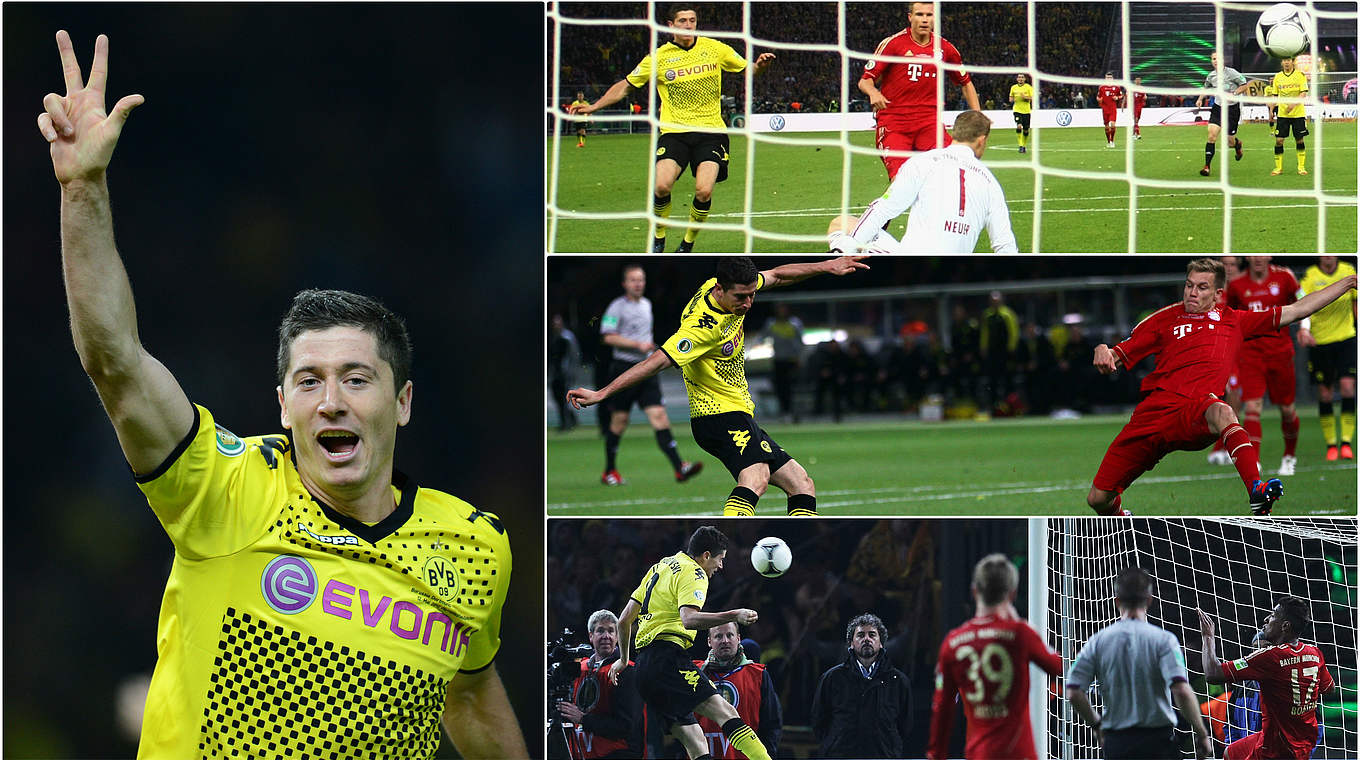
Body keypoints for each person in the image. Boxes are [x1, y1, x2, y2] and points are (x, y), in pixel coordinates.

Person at [36, 31, 527, 757]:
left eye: (358, 379)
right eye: (309, 381)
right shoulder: (224, 487)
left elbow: (472, 692)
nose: (332, 400)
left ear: (404, 403)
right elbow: (114, 360)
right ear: (281, 406)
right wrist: (83, 189)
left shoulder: (476, 548)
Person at [568, 256, 870, 516]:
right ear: (719, 290)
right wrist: (601, 393)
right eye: (741, 297)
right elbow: (657, 361)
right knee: (756, 476)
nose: (748, 303)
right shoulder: (702, 328)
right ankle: (727, 544)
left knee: (802, 485)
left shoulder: (728, 286)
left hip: (738, 412)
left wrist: (827, 265)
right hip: (716, 416)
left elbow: (777, 274)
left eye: (752, 295)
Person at [1087, 258, 1357, 515]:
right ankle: (1121, 516)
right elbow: (1116, 354)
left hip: (1195, 411)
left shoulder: (1234, 321)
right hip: (1153, 415)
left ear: (1217, 294)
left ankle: (1256, 490)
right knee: (1098, 499)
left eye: (1202, 287)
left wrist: (1348, 282)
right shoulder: (1164, 319)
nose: (1192, 292)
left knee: (1223, 412)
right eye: (1189, 285)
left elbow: (1299, 309)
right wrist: (1102, 349)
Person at [569, 6, 776, 253]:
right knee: (662, 186)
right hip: (674, 131)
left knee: (704, 189)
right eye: (683, 21)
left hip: (711, 131)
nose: (688, 25)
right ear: (671, 25)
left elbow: (748, 70)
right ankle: (659, 236)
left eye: (692, 20)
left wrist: (760, 65)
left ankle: (687, 243)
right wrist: (594, 106)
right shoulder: (658, 57)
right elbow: (625, 86)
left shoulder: (715, 48)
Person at [611, 526, 772, 760]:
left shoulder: (662, 565)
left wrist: (624, 660)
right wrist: (733, 614)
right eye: (720, 559)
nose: (721, 566)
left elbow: (624, 620)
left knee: (696, 740)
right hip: (666, 659)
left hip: (644, 671)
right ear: (706, 555)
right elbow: (689, 619)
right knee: (725, 711)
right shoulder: (694, 572)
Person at [1065, 568, 1212, 760]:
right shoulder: (1164, 640)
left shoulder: (1097, 642)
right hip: (1157, 743)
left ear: (1116, 600)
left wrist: (1096, 724)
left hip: (1117, 744)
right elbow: (1181, 690)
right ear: (1149, 600)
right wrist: (1201, 733)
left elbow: (1074, 691)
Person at [927, 554, 1063, 760]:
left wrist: (936, 755)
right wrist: (1026, 626)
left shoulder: (953, 643)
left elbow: (942, 709)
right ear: (1012, 594)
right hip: (1019, 754)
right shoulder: (1020, 633)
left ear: (974, 591)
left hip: (979, 754)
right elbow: (1058, 667)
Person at [826, 111, 1019, 254]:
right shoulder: (991, 183)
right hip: (955, 276)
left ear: (954, 134)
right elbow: (1005, 245)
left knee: (841, 224)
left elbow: (882, 209)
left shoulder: (924, 161)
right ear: (982, 140)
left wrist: (845, 249)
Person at [597, 264, 703, 486]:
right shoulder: (616, 307)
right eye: (634, 280)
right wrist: (637, 344)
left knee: (660, 417)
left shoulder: (647, 304)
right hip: (624, 369)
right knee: (619, 421)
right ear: (625, 283)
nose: (638, 284)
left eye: (641, 279)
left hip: (647, 370)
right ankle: (609, 471)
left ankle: (679, 468)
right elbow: (607, 337)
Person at [1197, 598, 1335, 760]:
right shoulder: (1314, 652)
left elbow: (1213, 674)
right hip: (1303, 740)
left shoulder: (1270, 657)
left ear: (1285, 626)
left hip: (1276, 746)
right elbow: (1330, 689)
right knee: (1230, 753)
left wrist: (1208, 636)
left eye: (1273, 615)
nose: (1266, 619)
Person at [859, 1, 981, 181]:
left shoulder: (945, 49)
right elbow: (865, 80)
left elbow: (966, 82)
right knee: (901, 182)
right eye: (919, 14)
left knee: (952, 172)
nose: (924, 20)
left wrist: (977, 116)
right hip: (895, 123)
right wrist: (873, 92)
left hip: (929, 123)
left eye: (929, 15)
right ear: (910, 17)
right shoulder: (893, 44)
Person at [1226, 257, 1301, 476]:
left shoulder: (1285, 276)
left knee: (1287, 410)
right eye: (1252, 254)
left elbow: (1303, 300)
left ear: (1269, 256)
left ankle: (1289, 456)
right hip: (1251, 354)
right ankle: (1254, 462)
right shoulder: (1237, 285)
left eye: (1262, 253)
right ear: (1246, 258)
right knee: (1252, 407)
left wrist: (1305, 328)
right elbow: (1228, 317)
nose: (1257, 258)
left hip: (1281, 352)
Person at [811, 613, 912, 759]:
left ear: (881, 642)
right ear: (851, 643)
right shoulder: (832, 678)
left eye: (872, 635)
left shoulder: (899, 681)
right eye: (860, 635)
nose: (866, 639)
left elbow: (905, 725)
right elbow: (819, 720)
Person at [558, 610, 644, 759]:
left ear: (618, 637)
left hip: (617, 753)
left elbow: (626, 726)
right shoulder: (579, 668)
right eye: (600, 631)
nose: (606, 636)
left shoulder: (627, 671)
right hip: (580, 751)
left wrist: (583, 719)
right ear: (591, 636)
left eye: (611, 631)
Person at [1297, 256, 1358, 460]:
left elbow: (1355, 303)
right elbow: (1303, 305)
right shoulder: (1310, 276)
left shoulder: (1348, 271)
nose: (1328, 255)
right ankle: (1331, 444)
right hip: (1320, 342)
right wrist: (1305, 330)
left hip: (1346, 338)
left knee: (1349, 387)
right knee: (1325, 393)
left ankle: (1347, 442)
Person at [694, 622, 783, 759]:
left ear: (738, 638)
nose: (725, 641)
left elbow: (771, 724)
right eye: (718, 636)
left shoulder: (758, 675)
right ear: (709, 641)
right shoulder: (695, 673)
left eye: (730, 635)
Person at [1208, 256, 1247, 465]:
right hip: (1210, 350)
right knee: (1214, 396)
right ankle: (1220, 444)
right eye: (1225, 265)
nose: (1229, 268)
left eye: (1233, 264)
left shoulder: (1240, 288)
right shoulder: (1211, 287)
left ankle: (1227, 445)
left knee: (1233, 393)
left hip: (1232, 350)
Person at [1196, 51, 1250, 176]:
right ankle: (1207, 167)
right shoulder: (1211, 76)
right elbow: (1206, 87)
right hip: (1218, 108)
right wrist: (1200, 99)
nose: (1215, 61)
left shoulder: (1232, 73)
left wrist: (1235, 93)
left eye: (1218, 58)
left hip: (1231, 110)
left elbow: (1244, 85)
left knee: (1229, 142)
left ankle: (1237, 144)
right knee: (1211, 136)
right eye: (1213, 59)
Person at [761, 303, 805, 422]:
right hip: (779, 360)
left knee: (791, 388)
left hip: (792, 360)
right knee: (781, 388)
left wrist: (799, 358)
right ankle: (784, 412)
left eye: (783, 309)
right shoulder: (771, 324)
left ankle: (794, 412)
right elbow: (762, 337)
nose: (782, 312)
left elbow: (801, 342)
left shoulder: (795, 323)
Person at [980, 292, 1020, 416]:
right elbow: (985, 332)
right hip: (992, 352)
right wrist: (983, 347)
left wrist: (1011, 348)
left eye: (997, 300)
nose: (995, 303)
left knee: (1008, 379)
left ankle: (1010, 407)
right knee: (993, 380)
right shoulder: (987, 315)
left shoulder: (1007, 314)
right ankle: (994, 407)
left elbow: (1014, 331)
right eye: (993, 301)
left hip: (1005, 352)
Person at [1270, 56, 1310, 175]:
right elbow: (1275, 95)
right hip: (1283, 114)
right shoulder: (1278, 77)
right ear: (1282, 62)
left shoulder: (1300, 75)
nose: (1286, 63)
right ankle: (1278, 168)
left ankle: (1301, 167)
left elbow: (1303, 93)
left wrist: (1293, 104)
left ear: (1292, 62)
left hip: (1298, 114)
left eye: (1288, 60)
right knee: (1279, 141)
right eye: (1284, 60)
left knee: (1299, 140)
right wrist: (1271, 110)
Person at [550, 313, 581, 432]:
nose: (556, 325)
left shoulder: (567, 337)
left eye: (558, 322)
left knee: (564, 398)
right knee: (558, 398)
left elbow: (574, 355)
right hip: (557, 373)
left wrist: (572, 371)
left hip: (565, 373)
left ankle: (567, 422)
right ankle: (569, 420)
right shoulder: (554, 337)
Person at [1008, 73, 1034, 153]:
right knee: (1019, 126)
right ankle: (1020, 146)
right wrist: (1011, 100)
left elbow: (1033, 97)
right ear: (1017, 79)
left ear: (1025, 79)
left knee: (1026, 130)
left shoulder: (1028, 87)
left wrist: (1025, 97)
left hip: (1026, 111)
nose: (1020, 79)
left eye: (1022, 77)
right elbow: (1010, 98)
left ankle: (1024, 145)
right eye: (1019, 77)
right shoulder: (1013, 87)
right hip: (1017, 110)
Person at [1097, 72, 1125, 148]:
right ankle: (1108, 142)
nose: (1108, 79)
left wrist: (1117, 98)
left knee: (1112, 125)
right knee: (1106, 127)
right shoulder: (1101, 87)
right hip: (1105, 109)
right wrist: (1099, 100)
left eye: (1110, 78)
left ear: (1112, 79)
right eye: (1107, 78)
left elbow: (1121, 95)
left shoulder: (1116, 87)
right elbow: (1098, 97)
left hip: (1113, 108)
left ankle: (1112, 141)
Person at [1130, 75, 1147, 140]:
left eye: (1139, 80)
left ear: (1140, 81)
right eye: (1136, 80)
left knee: (1137, 120)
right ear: (1134, 81)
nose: (1138, 81)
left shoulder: (1142, 88)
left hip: (1140, 106)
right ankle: (1138, 134)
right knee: (1136, 119)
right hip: (1134, 106)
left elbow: (1145, 97)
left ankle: (1134, 134)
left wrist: (1144, 98)